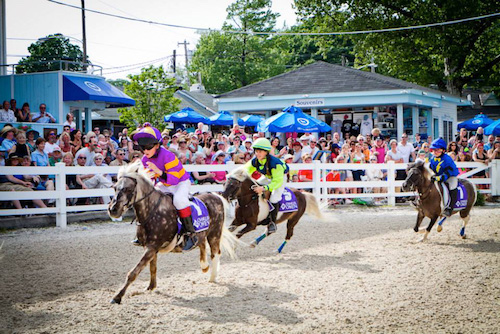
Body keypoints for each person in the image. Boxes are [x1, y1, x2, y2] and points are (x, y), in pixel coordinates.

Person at [132, 123, 197, 250]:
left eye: (148, 147)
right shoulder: (145, 159)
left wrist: (158, 171)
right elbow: (150, 180)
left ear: (157, 145)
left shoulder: (168, 156)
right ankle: (142, 232)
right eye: (142, 148)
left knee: (179, 201)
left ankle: (190, 234)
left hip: (180, 183)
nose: (145, 151)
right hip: (164, 184)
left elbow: (173, 180)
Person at [244, 138, 289, 235]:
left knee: (274, 198)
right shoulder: (255, 161)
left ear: (266, 152)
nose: (257, 153)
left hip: (280, 178)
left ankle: (272, 223)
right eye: (256, 151)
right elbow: (245, 171)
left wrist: (264, 188)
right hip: (268, 177)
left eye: (260, 151)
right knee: (254, 186)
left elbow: (277, 182)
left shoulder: (275, 163)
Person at [429, 138, 459, 217]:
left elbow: (449, 171)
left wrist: (441, 177)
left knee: (453, 187)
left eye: (437, 150)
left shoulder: (447, 158)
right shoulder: (432, 159)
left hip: (450, 176)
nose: (435, 152)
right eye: (434, 150)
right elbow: (431, 169)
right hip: (438, 176)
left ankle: (450, 208)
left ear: (442, 150)